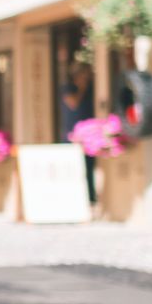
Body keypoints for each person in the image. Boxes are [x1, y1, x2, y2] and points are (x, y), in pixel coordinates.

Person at [59, 64, 96, 205]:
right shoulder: (68, 89)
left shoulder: (91, 90)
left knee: (88, 169)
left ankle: (90, 199)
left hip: (88, 138)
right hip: (71, 137)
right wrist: (81, 88)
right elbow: (73, 103)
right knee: (73, 169)